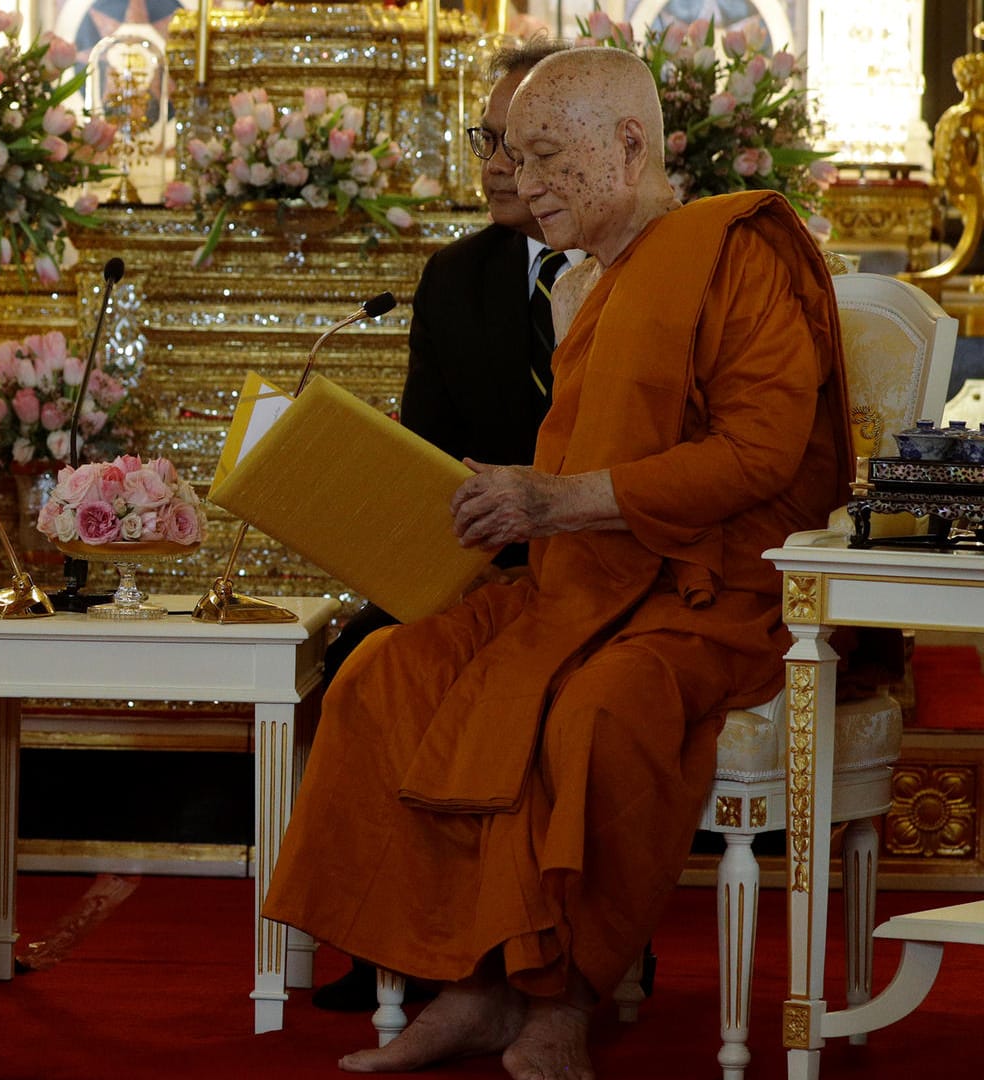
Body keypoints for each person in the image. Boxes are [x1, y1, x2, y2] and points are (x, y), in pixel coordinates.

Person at [263, 46, 851, 1080]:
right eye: (508, 154)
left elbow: (759, 455)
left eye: (543, 155)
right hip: (577, 581)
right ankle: (474, 985)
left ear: (627, 143)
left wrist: (559, 500)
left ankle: (560, 1003)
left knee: (595, 714)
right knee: (384, 676)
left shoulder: (736, 251)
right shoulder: (593, 276)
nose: (519, 180)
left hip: (714, 596)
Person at [312, 36, 575, 1014]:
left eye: (519, 145)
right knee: (362, 658)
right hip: (474, 566)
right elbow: (426, 456)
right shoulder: (456, 277)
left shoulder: (634, 268)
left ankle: (526, 951)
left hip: (602, 566)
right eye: (486, 140)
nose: (497, 166)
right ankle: (384, 934)